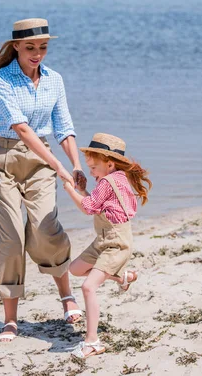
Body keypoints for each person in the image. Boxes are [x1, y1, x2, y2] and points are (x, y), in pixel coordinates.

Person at [0, 18, 88, 342]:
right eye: (30, 47)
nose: (37, 53)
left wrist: (76, 164)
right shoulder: (3, 80)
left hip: (41, 165)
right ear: (16, 47)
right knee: (11, 238)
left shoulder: (55, 80)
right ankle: (11, 319)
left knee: (45, 229)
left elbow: (64, 126)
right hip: (3, 164)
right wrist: (58, 165)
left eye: (43, 47)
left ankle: (66, 295)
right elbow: (22, 129)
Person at [63, 133, 152, 358]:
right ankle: (123, 277)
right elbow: (96, 203)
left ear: (109, 164)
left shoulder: (107, 181)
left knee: (88, 287)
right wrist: (83, 191)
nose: (90, 172)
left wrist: (70, 190)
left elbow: (88, 208)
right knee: (75, 269)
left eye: (93, 167)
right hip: (103, 240)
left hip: (116, 243)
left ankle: (92, 342)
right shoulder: (116, 178)